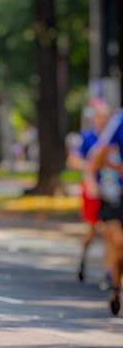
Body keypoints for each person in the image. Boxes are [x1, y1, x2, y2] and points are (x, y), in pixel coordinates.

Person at [66, 99, 110, 283]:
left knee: (111, 230)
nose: (101, 119)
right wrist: (91, 166)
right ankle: (83, 256)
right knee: (93, 229)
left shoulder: (111, 135)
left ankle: (111, 272)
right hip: (92, 188)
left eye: (105, 116)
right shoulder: (86, 137)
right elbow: (73, 161)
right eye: (98, 115)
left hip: (111, 189)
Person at [87, 107, 123, 316]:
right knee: (118, 244)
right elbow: (97, 154)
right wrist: (92, 179)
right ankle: (116, 288)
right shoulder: (119, 120)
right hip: (114, 194)